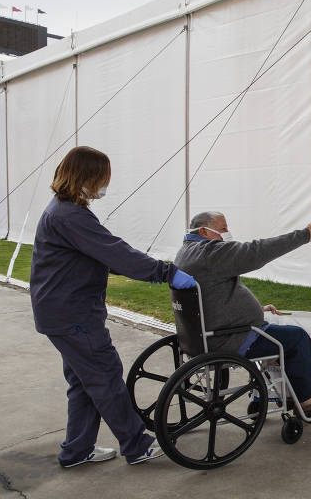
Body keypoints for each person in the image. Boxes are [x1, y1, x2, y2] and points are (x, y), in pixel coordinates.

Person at [29, 146, 197, 468]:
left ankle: (77, 451)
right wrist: (166, 272)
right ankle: (136, 445)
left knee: (84, 381)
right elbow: (114, 251)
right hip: (73, 314)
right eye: (102, 177)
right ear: (87, 176)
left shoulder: (64, 211)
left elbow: (101, 255)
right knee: (105, 377)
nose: (105, 184)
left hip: (60, 312)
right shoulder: (70, 216)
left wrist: (151, 270)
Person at [174, 211, 311, 416]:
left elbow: (209, 297)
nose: (227, 233)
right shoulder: (209, 253)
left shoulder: (186, 252)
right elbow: (256, 251)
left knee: (280, 331)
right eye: (223, 228)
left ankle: (274, 393)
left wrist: (256, 310)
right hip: (230, 338)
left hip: (206, 334)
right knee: (297, 337)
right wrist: (302, 235)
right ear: (204, 231)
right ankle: (307, 402)